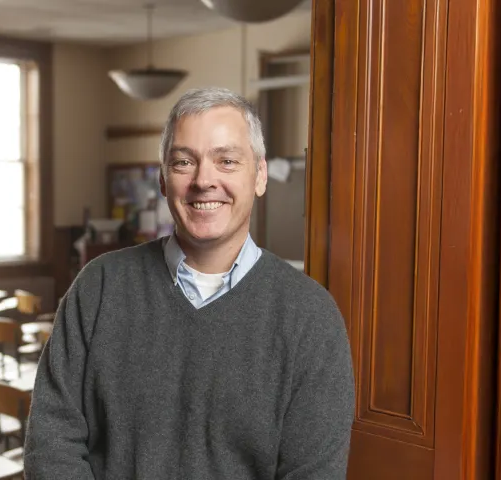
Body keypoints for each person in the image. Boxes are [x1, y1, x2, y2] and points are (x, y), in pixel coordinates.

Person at [23, 87, 355, 479]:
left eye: (227, 161)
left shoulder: (311, 317)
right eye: (184, 162)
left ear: (260, 175)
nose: (204, 181)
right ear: (164, 180)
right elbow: (52, 443)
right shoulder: (98, 288)